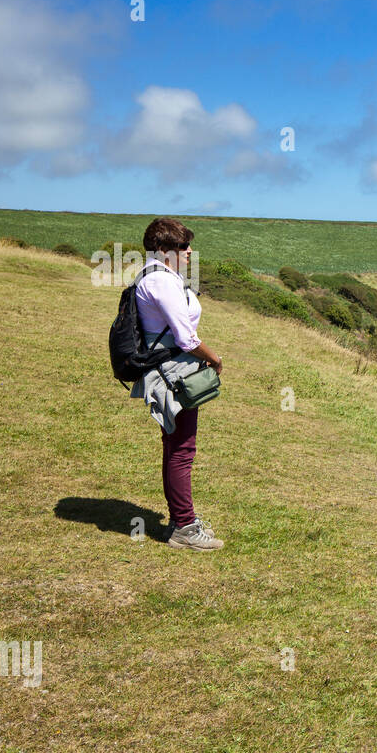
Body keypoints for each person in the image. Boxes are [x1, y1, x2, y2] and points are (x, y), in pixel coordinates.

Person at [131, 217, 224, 550]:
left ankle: (183, 520)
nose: (189, 251)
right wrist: (214, 359)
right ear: (162, 249)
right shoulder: (162, 282)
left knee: (175, 446)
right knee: (182, 449)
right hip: (174, 372)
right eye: (183, 246)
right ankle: (184, 527)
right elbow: (186, 337)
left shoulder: (156, 277)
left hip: (169, 368)